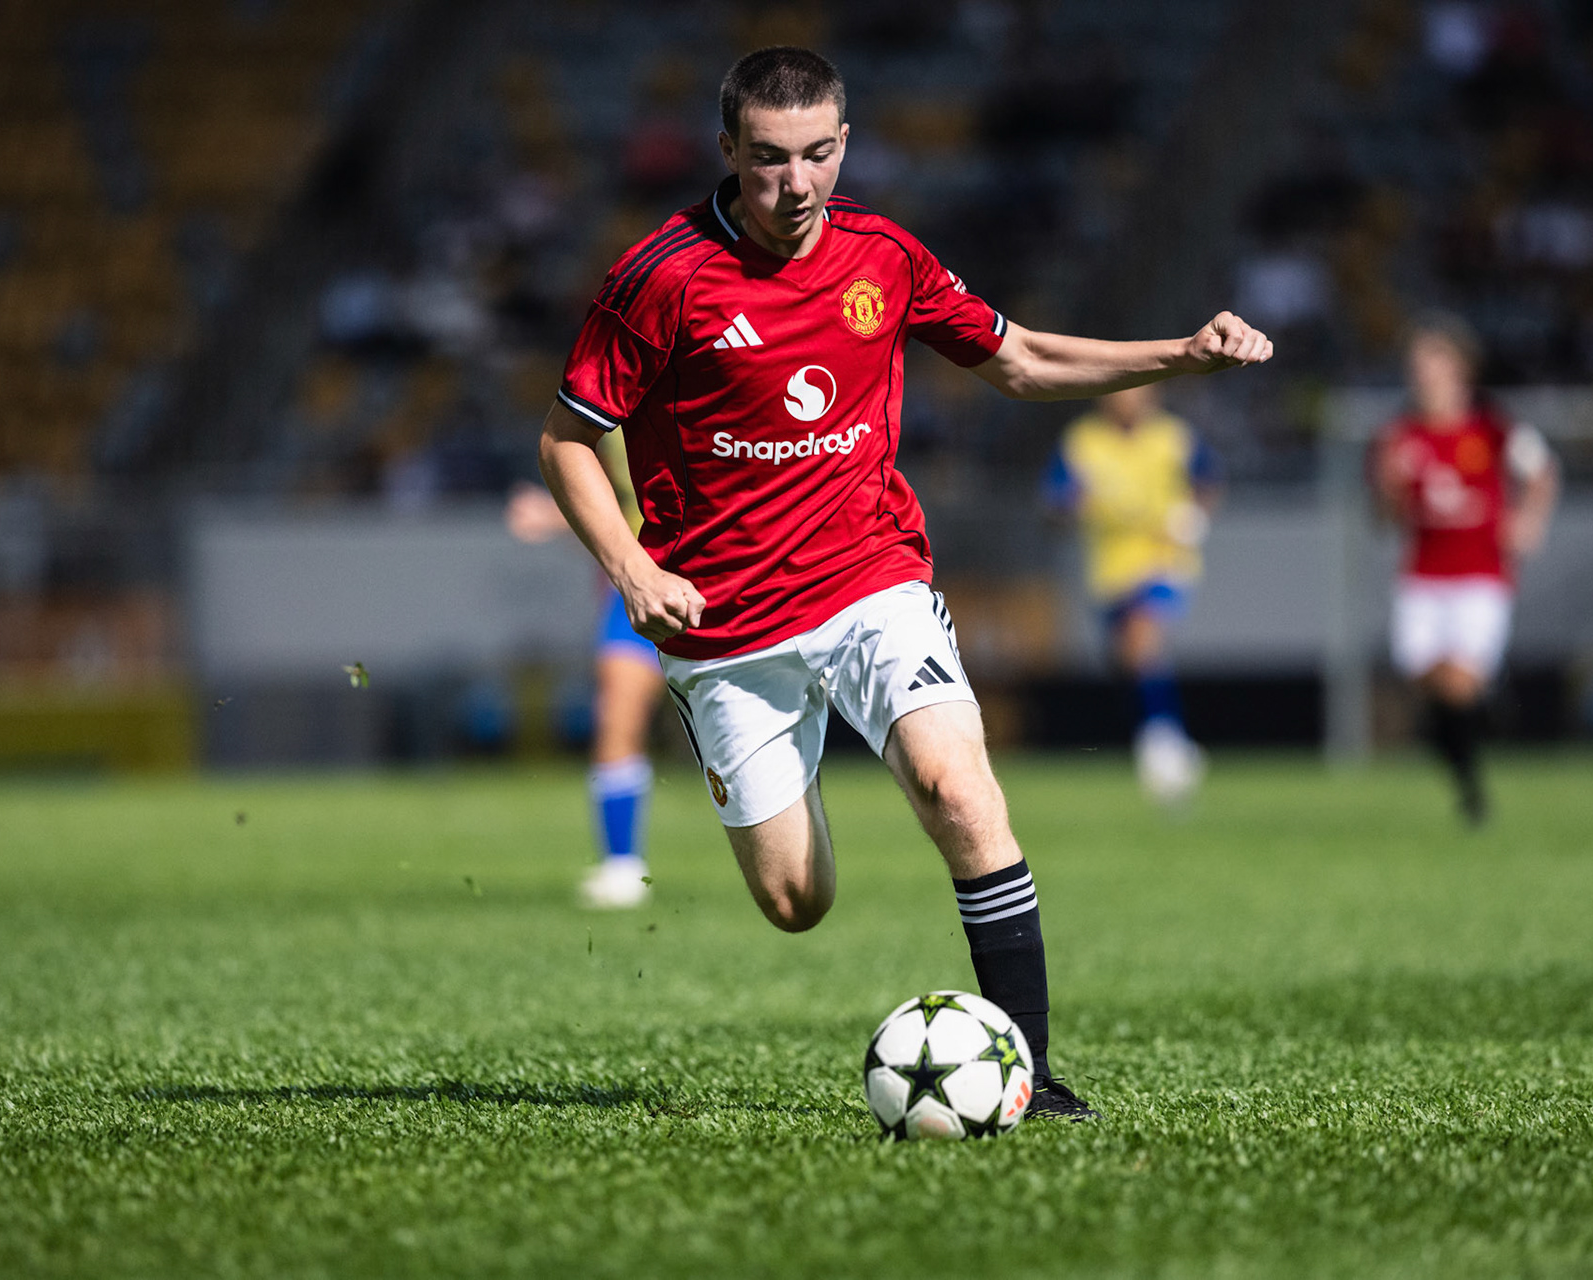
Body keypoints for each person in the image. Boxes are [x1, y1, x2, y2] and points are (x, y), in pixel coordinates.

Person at [538, 46, 1273, 1121]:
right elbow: (567, 439)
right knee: (795, 900)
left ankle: (1031, 1070)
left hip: (869, 576)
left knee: (958, 789)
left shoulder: (883, 255)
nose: (797, 184)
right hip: (723, 620)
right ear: (728, 150)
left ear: (846, 142)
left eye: (820, 155)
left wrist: (1180, 354)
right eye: (770, 160)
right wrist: (632, 564)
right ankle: (790, 764)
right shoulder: (660, 277)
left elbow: (1018, 360)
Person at [1373, 314, 1559, 824]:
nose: (1422, 373)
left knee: (1455, 684)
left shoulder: (1494, 428)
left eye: (1433, 360)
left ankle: (1472, 788)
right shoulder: (1399, 437)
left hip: (1479, 576)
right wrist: (1387, 489)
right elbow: (1385, 520)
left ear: (1459, 367)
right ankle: (1481, 735)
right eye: (1417, 363)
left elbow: (1542, 471)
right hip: (1422, 579)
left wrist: (1528, 520)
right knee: (1429, 685)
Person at [506, 433, 665, 910]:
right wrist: (561, 518)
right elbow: (618, 507)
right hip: (642, 577)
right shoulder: (610, 407)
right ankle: (623, 865)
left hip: (728, 570)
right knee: (617, 711)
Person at [1044, 384, 1222, 801]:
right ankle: (1165, 740)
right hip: (1110, 572)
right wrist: (1073, 505)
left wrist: (1193, 515)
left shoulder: (1172, 436)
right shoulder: (1082, 441)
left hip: (1164, 560)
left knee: (1142, 639)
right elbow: (1054, 501)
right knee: (1131, 658)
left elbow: (1209, 479)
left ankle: (1163, 744)